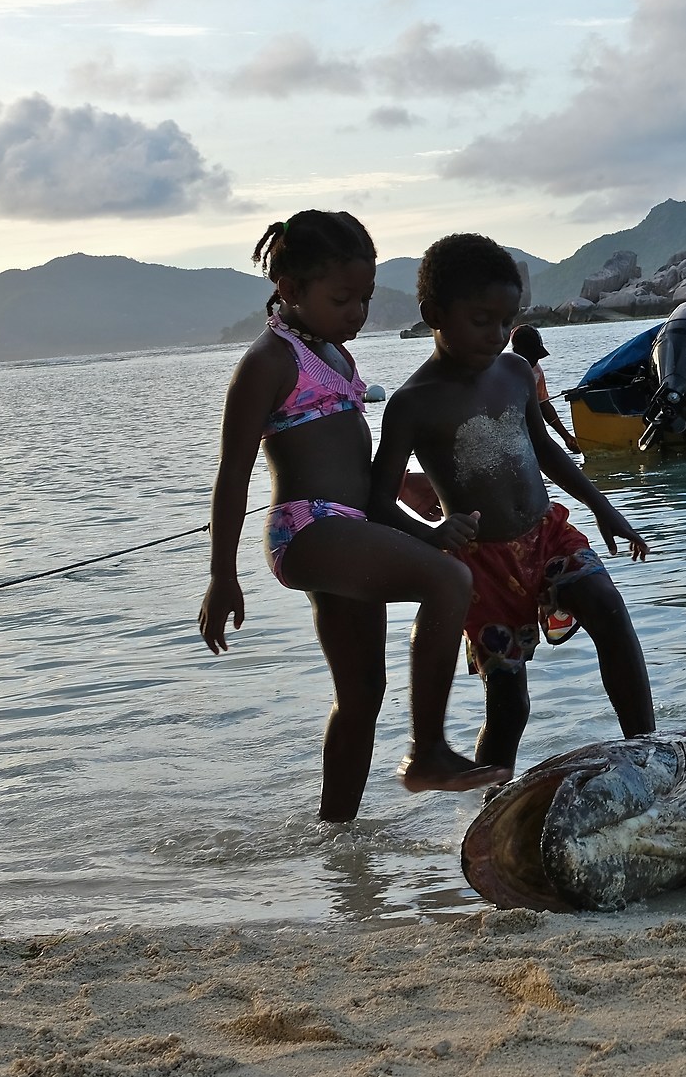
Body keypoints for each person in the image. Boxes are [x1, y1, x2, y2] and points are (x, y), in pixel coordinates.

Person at [199, 209, 499, 819]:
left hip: (349, 524)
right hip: (308, 529)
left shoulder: (333, 353)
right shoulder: (269, 361)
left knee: (362, 693)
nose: (357, 313)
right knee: (450, 578)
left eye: (365, 298)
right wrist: (222, 575)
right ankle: (428, 751)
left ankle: (337, 839)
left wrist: (405, 485)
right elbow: (232, 475)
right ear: (289, 288)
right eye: (342, 300)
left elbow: (342, 454)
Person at [369, 233, 655, 773]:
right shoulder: (411, 404)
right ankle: (493, 801)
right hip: (481, 568)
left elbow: (545, 450)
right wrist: (431, 535)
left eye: (507, 322)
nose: (498, 336)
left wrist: (602, 506)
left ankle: (648, 752)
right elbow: (377, 501)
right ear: (433, 314)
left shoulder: (516, 373)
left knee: (609, 611)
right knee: (509, 705)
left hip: (547, 534)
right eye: (482, 321)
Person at [510, 325, 585, 457]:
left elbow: (544, 404)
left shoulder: (536, 372)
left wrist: (566, 437)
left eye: (537, 356)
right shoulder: (499, 370)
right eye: (532, 355)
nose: (536, 360)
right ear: (517, 351)